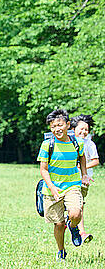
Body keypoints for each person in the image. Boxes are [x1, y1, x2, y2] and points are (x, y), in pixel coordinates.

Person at [37, 109, 90, 261]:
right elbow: (43, 169)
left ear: (67, 125)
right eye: (53, 126)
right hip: (52, 188)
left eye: (59, 125)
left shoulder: (76, 142)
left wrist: (84, 174)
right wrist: (52, 188)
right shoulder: (47, 144)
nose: (56, 129)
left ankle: (73, 227)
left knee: (75, 213)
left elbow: (82, 157)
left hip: (72, 185)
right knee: (59, 224)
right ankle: (61, 251)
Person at [71, 114, 100, 243]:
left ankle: (81, 231)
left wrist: (82, 168)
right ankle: (74, 227)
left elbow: (96, 161)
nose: (84, 132)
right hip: (68, 178)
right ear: (73, 129)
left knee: (80, 205)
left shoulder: (89, 144)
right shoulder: (68, 142)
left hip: (84, 179)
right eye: (81, 129)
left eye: (86, 129)